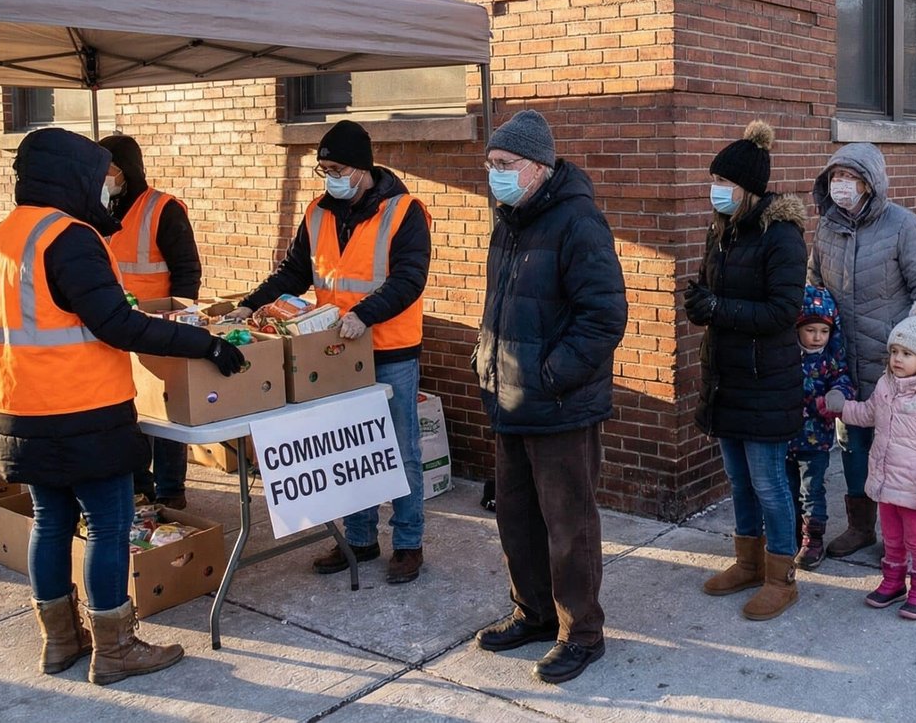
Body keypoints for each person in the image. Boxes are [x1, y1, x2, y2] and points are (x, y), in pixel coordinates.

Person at [0, 128, 245, 685]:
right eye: (99, 177)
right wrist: (206, 344)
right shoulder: (69, 237)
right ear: (72, 176)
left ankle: (60, 642)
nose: (107, 189)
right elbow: (118, 324)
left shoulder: (6, 234)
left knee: (51, 521)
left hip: (17, 404)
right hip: (79, 408)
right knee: (109, 523)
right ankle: (117, 647)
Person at [229, 120, 432, 584]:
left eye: (336, 168)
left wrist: (366, 313)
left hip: (389, 348)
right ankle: (358, 540)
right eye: (323, 169)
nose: (330, 178)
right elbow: (292, 272)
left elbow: (409, 278)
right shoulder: (318, 212)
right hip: (336, 351)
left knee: (400, 450)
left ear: (361, 168)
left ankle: (408, 543)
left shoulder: (404, 212)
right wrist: (249, 305)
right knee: (353, 450)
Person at [467, 110, 628, 685]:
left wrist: (551, 375)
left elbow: (605, 316)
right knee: (516, 519)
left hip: (559, 404)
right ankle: (534, 613)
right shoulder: (510, 220)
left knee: (568, 527)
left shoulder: (578, 222)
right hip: (509, 399)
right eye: (491, 165)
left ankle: (581, 632)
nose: (495, 175)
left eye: (505, 165)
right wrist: (489, 360)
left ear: (538, 167)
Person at [687, 121, 808, 623]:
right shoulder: (720, 232)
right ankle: (747, 561)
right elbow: (703, 290)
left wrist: (717, 307)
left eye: (724, 183)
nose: (715, 190)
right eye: (714, 181)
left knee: (769, 484)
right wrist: (701, 304)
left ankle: (781, 577)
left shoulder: (782, 236)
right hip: (725, 379)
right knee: (739, 481)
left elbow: (783, 311)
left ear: (748, 189)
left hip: (766, 382)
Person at [809, 143, 916, 557]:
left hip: (894, 365)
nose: (842, 186)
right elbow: (815, 285)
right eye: (835, 177)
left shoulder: (903, 226)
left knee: (899, 450)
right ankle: (860, 526)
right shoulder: (826, 227)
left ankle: (904, 531)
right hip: (841, 363)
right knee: (852, 446)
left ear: (870, 183)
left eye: (850, 178)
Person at [825, 302, 916, 621]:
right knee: (892, 539)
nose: (897, 359)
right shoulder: (886, 386)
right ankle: (894, 580)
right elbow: (869, 413)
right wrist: (841, 408)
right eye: (894, 351)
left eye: (906, 353)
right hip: (886, 484)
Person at [96, 135, 201, 511]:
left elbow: (187, 270)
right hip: (113, 326)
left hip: (158, 323)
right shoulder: (97, 208)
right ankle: (141, 483)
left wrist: (181, 317)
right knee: (129, 408)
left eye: (106, 170)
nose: (101, 177)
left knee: (168, 407)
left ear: (124, 170)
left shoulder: (163, 209)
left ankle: (172, 488)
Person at [789, 285, 853, 569]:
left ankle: (813, 538)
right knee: (787, 489)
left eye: (824, 332)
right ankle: (788, 535)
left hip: (816, 441)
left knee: (811, 490)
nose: (817, 338)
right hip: (785, 437)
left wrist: (837, 396)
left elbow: (843, 379)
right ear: (798, 328)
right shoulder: (786, 357)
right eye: (811, 330)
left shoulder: (829, 360)